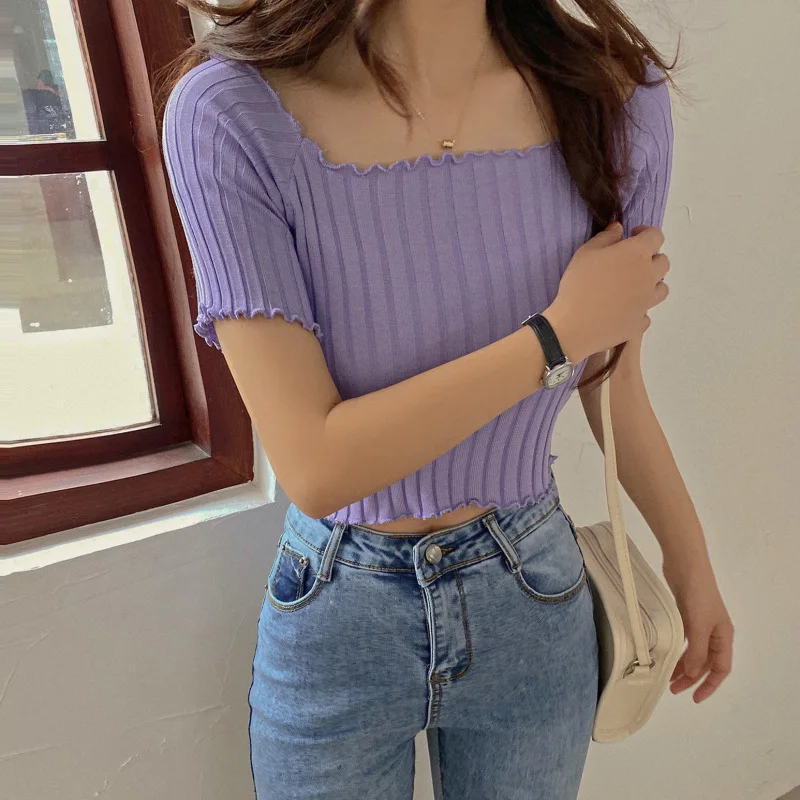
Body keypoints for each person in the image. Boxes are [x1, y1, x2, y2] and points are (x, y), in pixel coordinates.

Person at [160, 1, 733, 797]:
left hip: (531, 586)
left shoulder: (614, 96)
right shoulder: (231, 112)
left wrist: (690, 563)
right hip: (340, 605)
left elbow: (614, 379)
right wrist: (555, 336)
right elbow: (317, 467)